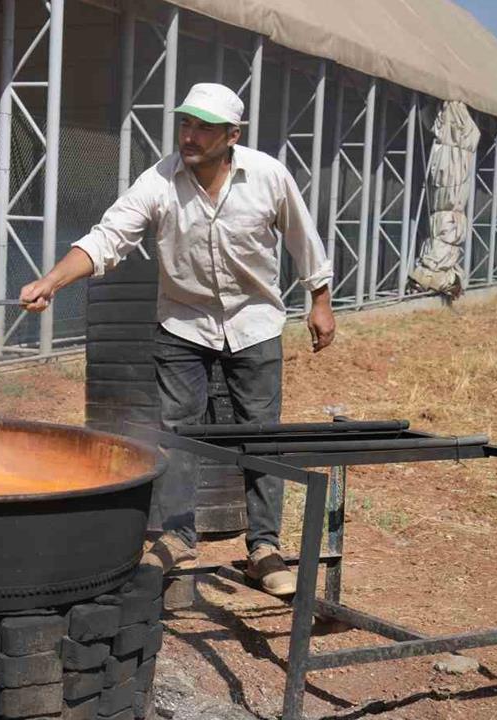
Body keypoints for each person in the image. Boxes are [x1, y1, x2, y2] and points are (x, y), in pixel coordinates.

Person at [20, 83, 336, 596]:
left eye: (204, 128)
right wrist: (51, 282)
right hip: (183, 323)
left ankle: (264, 546)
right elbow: (108, 237)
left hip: (254, 321)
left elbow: (303, 237)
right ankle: (176, 536)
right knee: (176, 432)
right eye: (186, 124)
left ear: (232, 135)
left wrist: (319, 300)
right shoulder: (159, 181)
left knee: (259, 434)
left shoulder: (267, 177)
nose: (190, 136)